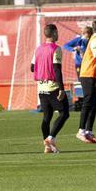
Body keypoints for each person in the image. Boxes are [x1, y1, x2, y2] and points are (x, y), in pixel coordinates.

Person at [32, 23, 70, 153]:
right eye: (57, 32)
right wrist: (61, 89)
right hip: (53, 87)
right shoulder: (55, 49)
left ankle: (47, 147)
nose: (58, 34)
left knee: (47, 117)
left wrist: (43, 66)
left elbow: (32, 67)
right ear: (53, 33)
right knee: (64, 113)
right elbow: (57, 69)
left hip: (41, 87)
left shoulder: (38, 49)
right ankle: (50, 138)